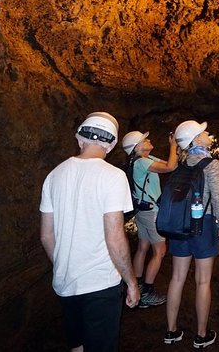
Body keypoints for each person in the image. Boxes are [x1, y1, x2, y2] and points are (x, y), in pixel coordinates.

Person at [39, 112, 140, 352]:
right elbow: (114, 238)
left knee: (78, 345)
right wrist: (132, 282)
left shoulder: (53, 176)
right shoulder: (113, 177)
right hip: (100, 283)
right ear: (112, 144)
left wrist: (66, 263)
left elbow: (46, 236)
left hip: (66, 281)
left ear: (79, 139)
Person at [164, 120, 219, 349]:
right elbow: (218, 198)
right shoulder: (210, 163)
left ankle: (171, 331)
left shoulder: (180, 164)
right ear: (196, 139)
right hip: (204, 224)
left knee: (177, 278)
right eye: (203, 132)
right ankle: (201, 335)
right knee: (203, 281)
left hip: (179, 226)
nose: (207, 133)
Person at [121, 130, 178, 308]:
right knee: (160, 251)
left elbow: (171, 164)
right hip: (151, 212)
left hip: (142, 211)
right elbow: (170, 167)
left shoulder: (143, 160)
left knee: (143, 247)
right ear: (137, 147)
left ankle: (137, 285)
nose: (149, 140)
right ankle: (146, 292)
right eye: (145, 140)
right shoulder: (142, 163)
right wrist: (174, 145)